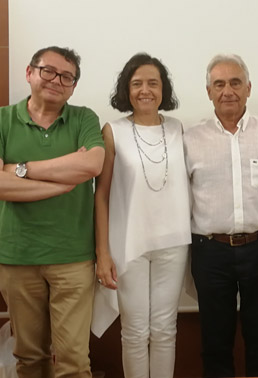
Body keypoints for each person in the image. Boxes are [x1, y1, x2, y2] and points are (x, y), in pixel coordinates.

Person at [183, 53, 258, 378]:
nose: (227, 91)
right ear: (208, 92)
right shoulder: (190, 140)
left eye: (235, 83)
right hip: (210, 253)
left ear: (249, 88)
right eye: (219, 84)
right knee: (215, 342)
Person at [0, 46, 105, 378]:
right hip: (17, 257)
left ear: (73, 86)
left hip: (73, 257)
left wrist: (19, 169)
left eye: (67, 76)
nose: (56, 80)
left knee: (73, 361)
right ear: (29, 73)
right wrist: (59, 183)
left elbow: (91, 163)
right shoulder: (2, 120)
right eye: (48, 71)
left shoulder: (84, 118)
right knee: (29, 359)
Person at [91, 53, 191, 378]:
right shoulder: (112, 131)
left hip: (173, 244)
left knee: (165, 330)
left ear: (164, 89)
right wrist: (102, 252)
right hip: (128, 244)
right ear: (126, 89)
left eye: (153, 83)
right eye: (137, 84)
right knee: (134, 333)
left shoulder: (178, 129)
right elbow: (101, 195)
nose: (145, 90)